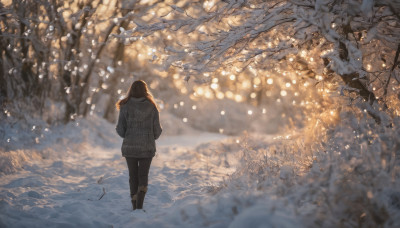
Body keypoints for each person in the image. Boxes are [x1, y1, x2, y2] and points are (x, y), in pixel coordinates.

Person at [115, 80, 162, 210]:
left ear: (131, 90)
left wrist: (130, 136)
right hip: (147, 148)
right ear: (145, 91)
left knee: (133, 176)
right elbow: (157, 130)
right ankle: (139, 206)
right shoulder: (152, 107)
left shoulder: (125, 106)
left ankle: (134, 205)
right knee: (143, 176)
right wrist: (151, 137)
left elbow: (120, 129)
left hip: (130, 147)